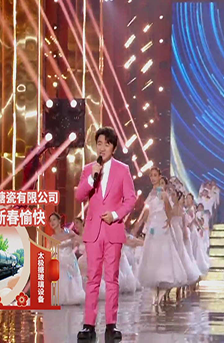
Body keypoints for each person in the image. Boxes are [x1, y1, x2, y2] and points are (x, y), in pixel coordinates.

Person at [75, 127, 137, 342]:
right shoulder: (89, 169)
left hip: (113, 230)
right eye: (99, 143)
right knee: (92, 279)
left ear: (114, 147)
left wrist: (116, 214)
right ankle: (88, 325)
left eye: (107, 144)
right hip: (93, 232)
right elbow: (79, 196)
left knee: (112, 279)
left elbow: (131, 198)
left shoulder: (123, 170)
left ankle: (111, 325)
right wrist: (91, 178)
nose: (102, 148)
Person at [137, 167, 187, 305]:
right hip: (153, 227)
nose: (153, 178)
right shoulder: (151, 193)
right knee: (152, 255)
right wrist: (143, 225)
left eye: (155, 175)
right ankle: (154, 289)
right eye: (151, 176)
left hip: (162, 226)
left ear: (159, 176)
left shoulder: (163, 193)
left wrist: (168, 221)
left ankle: (163, 286)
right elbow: (148, 212)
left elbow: (168, 209)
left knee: (163, 255)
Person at [49, 213, 85, 305]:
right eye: (50, 221)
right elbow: (49, 250)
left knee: (73, 279)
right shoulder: (52, 237)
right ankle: (60, 297)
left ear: (59, 220)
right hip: (59, 260)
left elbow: (78, 239)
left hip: (70, 259)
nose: (52, 222)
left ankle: (73, 296)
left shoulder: (67, 231)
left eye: (54, 219)